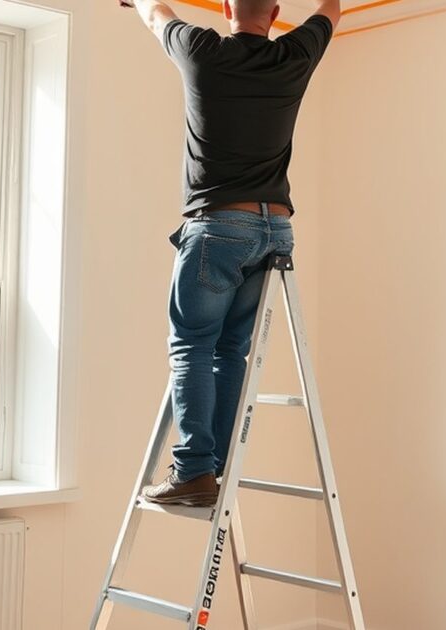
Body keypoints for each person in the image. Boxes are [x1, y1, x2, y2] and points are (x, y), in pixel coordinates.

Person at [123, 0, 340, 507]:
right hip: (276, 232)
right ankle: (213, 468)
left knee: (192, 347)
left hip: (219, 226)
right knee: (229, 350)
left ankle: (194, 470)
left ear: (225, 8)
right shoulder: (294, 55)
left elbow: (156, 13)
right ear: (277, 11)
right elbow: (332, 13)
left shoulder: (202, 51)